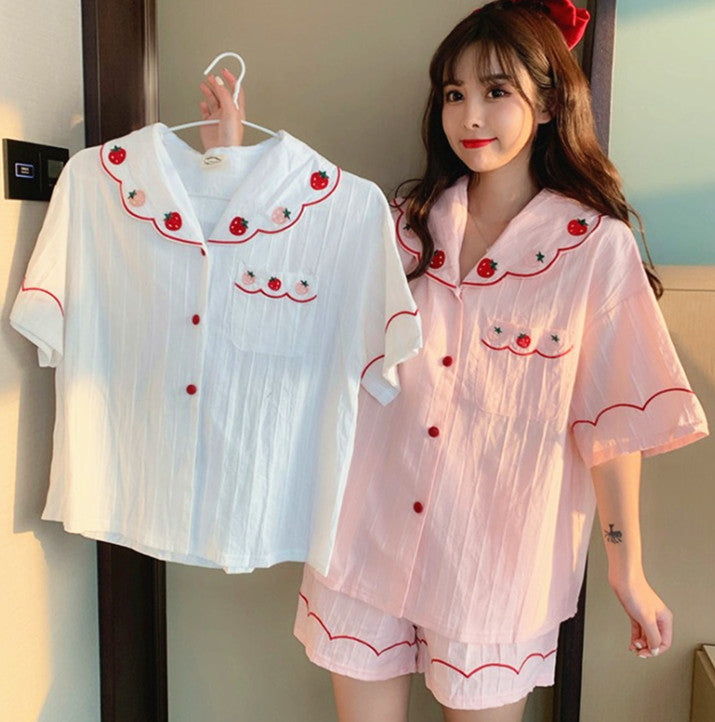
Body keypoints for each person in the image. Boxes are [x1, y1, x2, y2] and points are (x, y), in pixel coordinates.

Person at [198, 2, 708, 719]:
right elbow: (285, 284)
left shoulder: (594, 250)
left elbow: (612, 424)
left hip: (492, 567)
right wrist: (230, 162)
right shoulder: (402, 227)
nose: (470, 115)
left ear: (548, 102)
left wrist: (628, 568)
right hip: (365, 541)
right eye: (453, 94)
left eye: (496, 91)